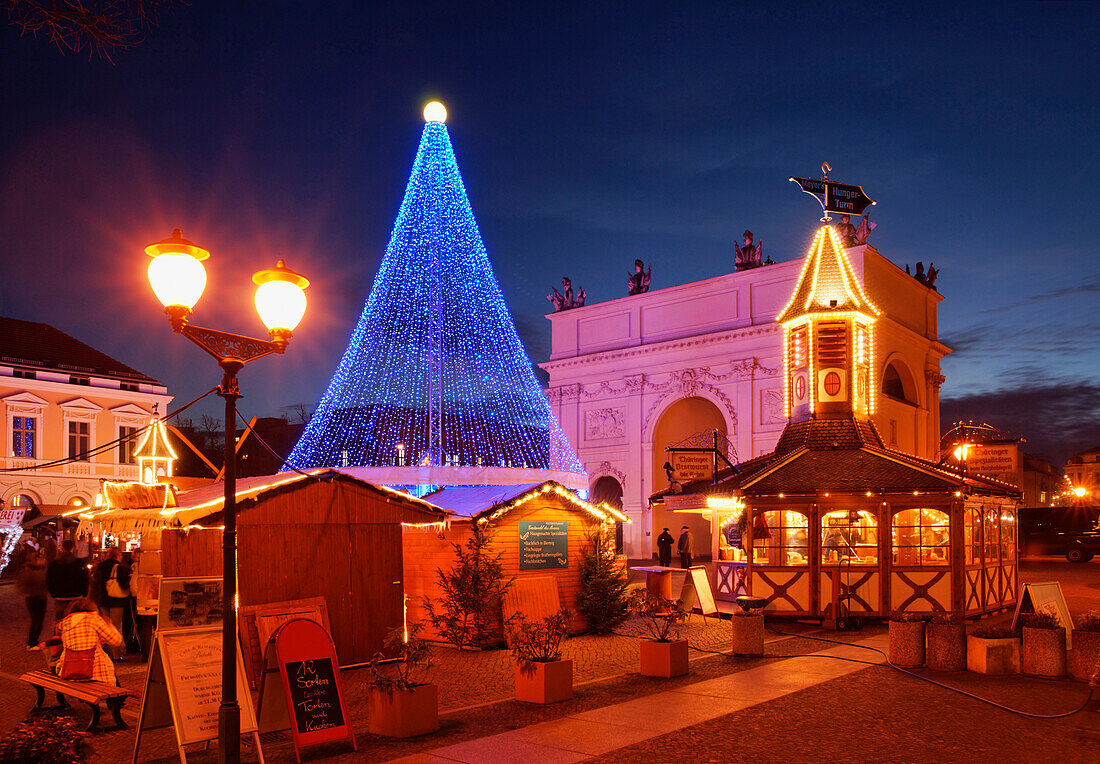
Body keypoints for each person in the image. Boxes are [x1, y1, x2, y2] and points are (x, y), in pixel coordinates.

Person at [55, 597, 124, 685]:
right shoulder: (94, 618)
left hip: (70, 672)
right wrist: (110, 625)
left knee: (106, 650)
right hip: (94, 674)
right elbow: (116, 641)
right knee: (107, 652)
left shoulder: (65, 622)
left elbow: (77, 643)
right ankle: (117, 695)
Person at [93, 547, 131, 660]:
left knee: (106, 627)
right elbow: (124, 585)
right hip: (116, 601)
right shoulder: (119, 568)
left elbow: (95, 582)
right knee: (115, 626)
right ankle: (116, 654)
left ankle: (107, 653)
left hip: (103, 600)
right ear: (118, 556)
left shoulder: (100, 567)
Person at [15, 537, 48, 650]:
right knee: (37, 620)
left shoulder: (40, 570)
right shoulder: (29, 571)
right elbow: (21, 585)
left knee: (39, 620)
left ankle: (34, 641)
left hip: (40, 597)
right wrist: (32, 591)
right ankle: (31, 643)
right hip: (34, 598)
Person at [47, 539, 89, 622]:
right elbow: (85, 579)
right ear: (73, 548)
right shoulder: (79, 563)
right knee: (75, 621)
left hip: (60, 596)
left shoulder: (54, 564)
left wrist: (53, 593)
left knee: (60, 620)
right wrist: (84, 593)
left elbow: (49, 580)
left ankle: (60, 634)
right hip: (76, 595)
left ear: (62, 548)